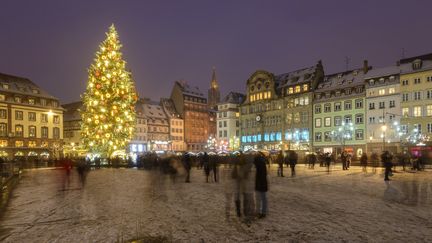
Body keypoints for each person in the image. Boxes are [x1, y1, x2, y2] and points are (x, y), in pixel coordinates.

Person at [254, 152, 268, 218]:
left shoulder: (258, 163)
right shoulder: (262, 162)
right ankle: (263, 212)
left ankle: (260, 212)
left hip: (260, 183)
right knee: (263, 198)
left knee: (259, 198)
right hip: (263, 182)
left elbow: (259, 174)